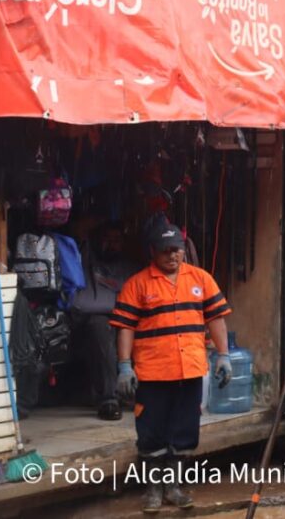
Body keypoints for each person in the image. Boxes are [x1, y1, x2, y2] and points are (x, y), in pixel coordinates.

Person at [109, 217, 234, 513]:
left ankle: (174, 487)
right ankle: (153, 490)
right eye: (166, 250)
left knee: (185, 430)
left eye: (176, 249)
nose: (172, 256)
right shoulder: (137, 284)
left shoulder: (201, 279)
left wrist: (224, 355)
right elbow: (125, 326)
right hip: (152, 372)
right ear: (152, 251)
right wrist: (125, 365)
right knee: (151, 431)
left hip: (190, 369)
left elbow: (216, 318)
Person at [70, 222, 138, 421]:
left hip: (123, 320)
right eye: (106, 239)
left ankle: (142, 394)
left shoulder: (130, 268)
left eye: (116, 241)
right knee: (99, 327)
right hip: (89, 322)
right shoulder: (84, 261)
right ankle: (109, 400)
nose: (111, 244)